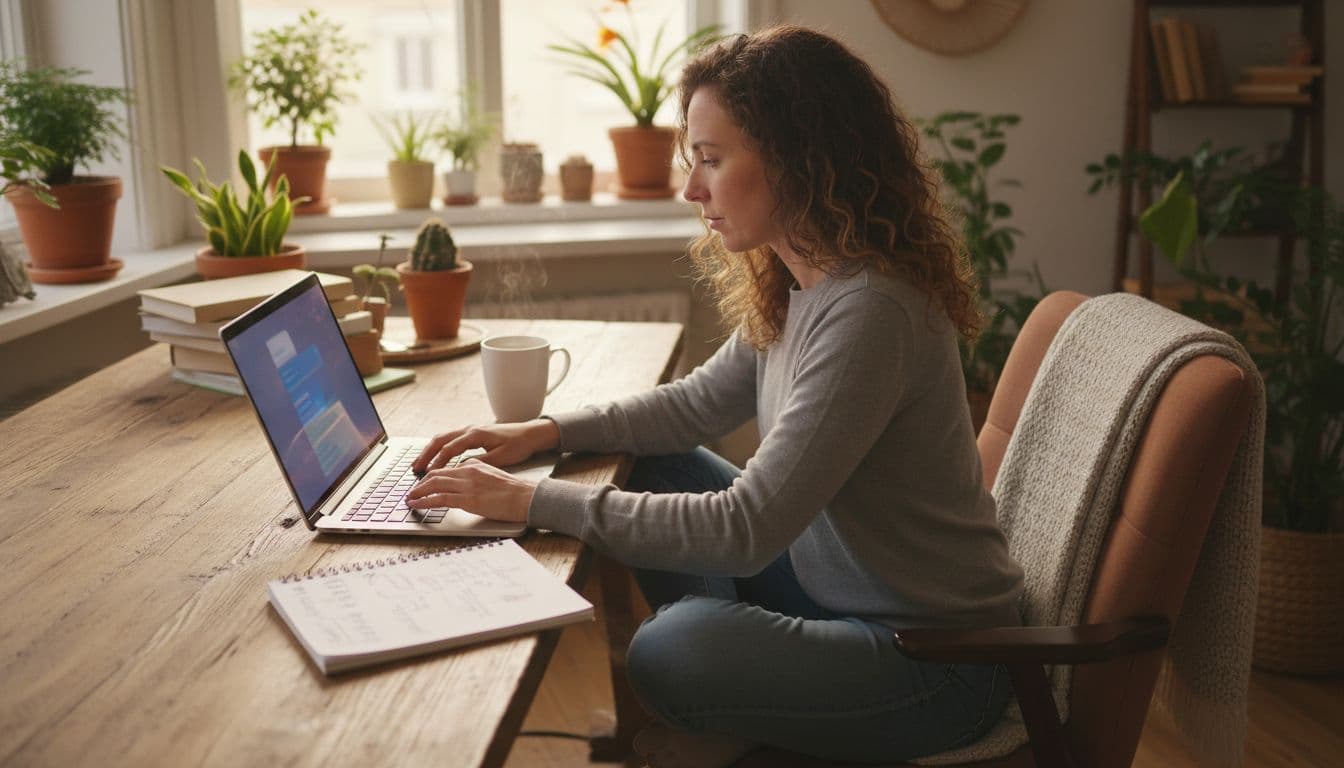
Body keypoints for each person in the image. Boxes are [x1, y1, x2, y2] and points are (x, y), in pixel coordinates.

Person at [408, 26, 1024, 767]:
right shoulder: (805, 280)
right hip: (830, 596)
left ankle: (737, 699)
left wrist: (527, 501)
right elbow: (693, 407)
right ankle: (747, 706)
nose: (692, 188)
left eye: (710, 159)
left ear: (799, 159)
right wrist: (541, 433)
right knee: (654, 459)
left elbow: (747, 528)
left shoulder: (871, 312)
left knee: (669, 650)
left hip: (933, 662)